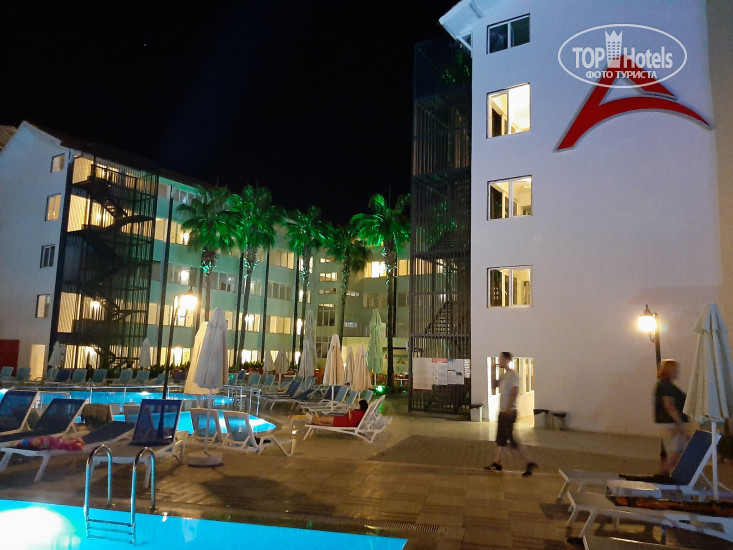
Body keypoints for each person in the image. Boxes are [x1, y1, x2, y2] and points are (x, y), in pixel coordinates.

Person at [485, 352, 538, 476]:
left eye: (501, 359)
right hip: (503, 412)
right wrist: (493, 372)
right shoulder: (504, 375)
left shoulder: (514, 375)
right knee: (501, 439)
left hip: (509, 412)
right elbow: (494, 386)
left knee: (512, 441)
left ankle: (529, 462)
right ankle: (497, 463)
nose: (499, 361)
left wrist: (509, 408)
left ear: (507, 360)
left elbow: (515, 392)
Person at [654, 359, 689, 474]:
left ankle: (663, 473)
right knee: (677, 452)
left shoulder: (663, 385)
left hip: (668, 423)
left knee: (674, 452)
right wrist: (680, 424)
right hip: (671, 424)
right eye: (675, 370)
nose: (677, 372)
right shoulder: (667, 386)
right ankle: (664, 474)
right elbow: (669, 406)